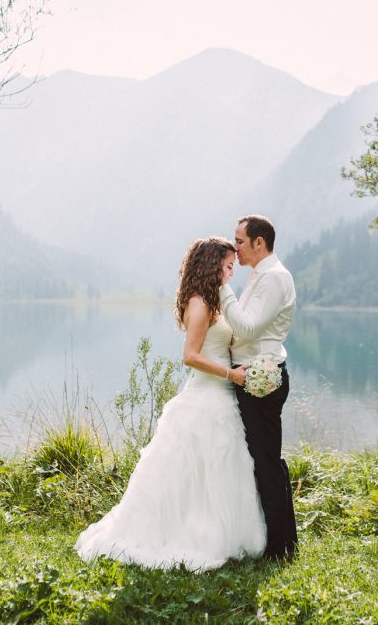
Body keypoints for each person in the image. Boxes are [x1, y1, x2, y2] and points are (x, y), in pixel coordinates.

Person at [73, 237, 265, 572]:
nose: (231, 272)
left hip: (222, 396)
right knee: (197, 467)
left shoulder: (215, 301)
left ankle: (220, 533)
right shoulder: (199, 303)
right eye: (228, 266)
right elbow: (190, 356)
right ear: (212, 265)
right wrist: (231, 375)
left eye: (233, 266)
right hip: (206, 396)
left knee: (219, 467)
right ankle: (190, 535)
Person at [221, 215, 298, 561]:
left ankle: (280, 548)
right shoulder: (261, 275)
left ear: (259, 242)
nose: (234, 247)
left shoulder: (274, 278)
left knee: (267, 463)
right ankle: (280, 540)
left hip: (261, 380)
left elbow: (249, 328)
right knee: (263, 461)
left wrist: (222, 288)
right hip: (250, 375)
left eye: (239, 241)